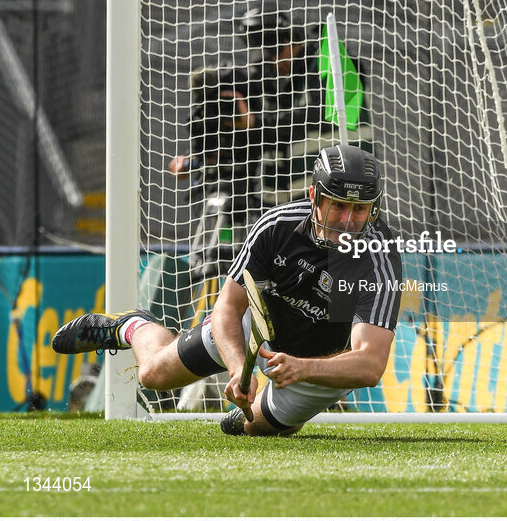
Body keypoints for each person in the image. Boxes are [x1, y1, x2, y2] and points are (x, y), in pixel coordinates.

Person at [52, 144, 402, 437]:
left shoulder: (378, 259)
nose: (347, 221)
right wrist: (238, 371)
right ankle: (133, 326)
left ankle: (266, 415)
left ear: (375, 208)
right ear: (315, 197)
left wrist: (303, 368)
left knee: (257, 431)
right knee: (153, 374)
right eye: (338, 205)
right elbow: (227, 308)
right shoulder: (276, 227)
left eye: (359, 209)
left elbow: (369, 364)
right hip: (260, 326)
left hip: (323, 365)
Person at [169, 9, 327, 276]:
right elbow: (240, 126)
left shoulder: (325, 64)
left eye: (273, 53)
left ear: (291, 40)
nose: (270, 64)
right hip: (273, 196)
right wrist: (196, 156)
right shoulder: (268, 79)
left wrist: (253, 123)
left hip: (317, 204)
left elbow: (315, 117)